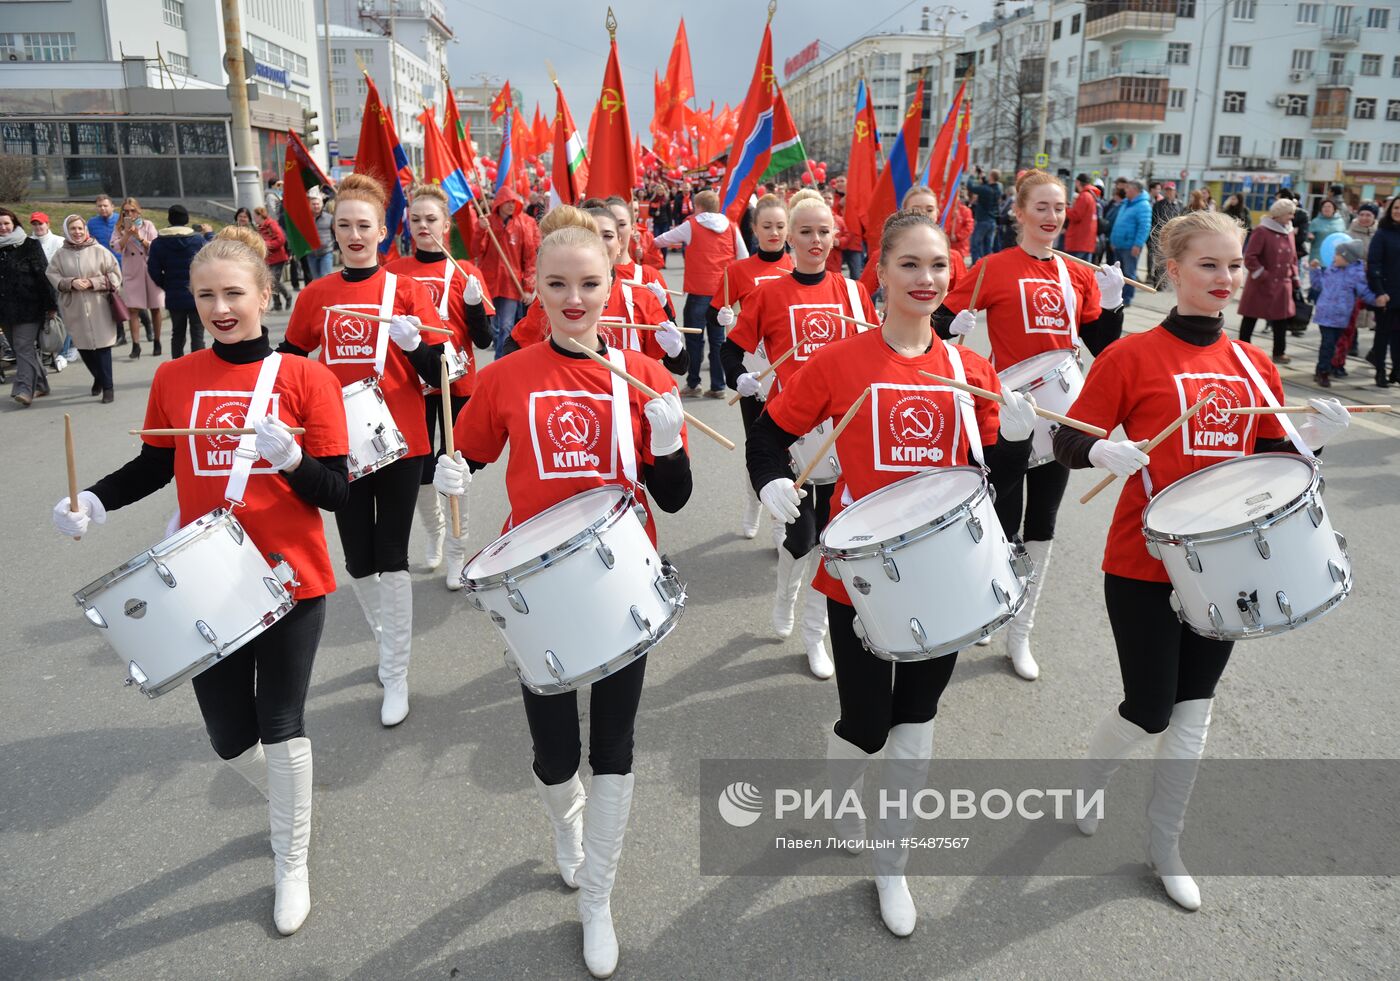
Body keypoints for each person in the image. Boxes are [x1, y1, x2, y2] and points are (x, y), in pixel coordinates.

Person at [52, 225, 350, 936]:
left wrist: (292, 463)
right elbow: (155, 464)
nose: (221, 307)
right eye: (207, 294)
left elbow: (336, 491)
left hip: (289, 576)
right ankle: (292, 796)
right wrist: (91, 500)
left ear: (264, 295)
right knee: (226, 736)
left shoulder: (309, 379)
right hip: (202, 578)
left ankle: (291, 853)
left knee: (281, 723)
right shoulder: (174, 378)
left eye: (235, 293)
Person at [1053, 209, 1350, 912]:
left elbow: (1273, 462)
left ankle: (1165, 843)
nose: (1226, 278)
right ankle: (1087, 781)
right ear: (1174, 272)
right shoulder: (1129, 356)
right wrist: (1098, 448)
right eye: (1210, 265)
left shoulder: (1255, 364)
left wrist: (1308, 437)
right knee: (1150, 707)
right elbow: (1066, 442)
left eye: (1236, 265)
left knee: (1194, 708)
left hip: (1231, 568)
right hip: (1143, 563)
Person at [748, 209, 1035, 935]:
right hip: (860, 580)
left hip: (946, 580)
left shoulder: (970, 371)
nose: (927, 279)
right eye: (910, 264)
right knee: (867, 724)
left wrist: (1019, 442)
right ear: (880, 271)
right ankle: (838, 791)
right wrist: (771, 484)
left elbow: (994, 482)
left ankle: (892, 862)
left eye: (938, 265)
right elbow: (769, 436)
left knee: (917, 718)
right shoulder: (840, 362)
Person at [432, 222, 691, 980]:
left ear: (614, 286)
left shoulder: (642, 374)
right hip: (534, 586)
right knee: (555, 751)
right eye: (556, 284)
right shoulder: (508, 374)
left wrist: (669, 444)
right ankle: (567, 829)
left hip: (621, 577)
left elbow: (672, 497)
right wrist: (450, 472)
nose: (574, 299)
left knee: (612, 744)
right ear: (534, 288)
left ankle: (599, 899)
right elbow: (471, 451)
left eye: (589, 284)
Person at [937, 169, 1124, 679]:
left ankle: (1021, 633)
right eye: (1040, 207)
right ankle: (992, 602)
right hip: (1010, 412)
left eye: (1059, 208)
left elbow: (1103, 347)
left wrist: (1110, 304)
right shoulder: (993, 267)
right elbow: (936, 324)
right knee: (1002, 520)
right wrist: (952, 327)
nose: (1052, 217)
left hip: (1063, 414)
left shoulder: (1077, 272)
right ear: (1018, 212)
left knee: (1042, 524)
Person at [281, 173, 446, 727]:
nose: (354, 234)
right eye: (344, 225)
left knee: (392, 555)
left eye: (364, 225)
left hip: (402, 442)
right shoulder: (316, 295)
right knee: (357, 559)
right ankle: (385, 643)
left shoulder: (407, 290)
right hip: (337, 445)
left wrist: (416, 344)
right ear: (334, 231)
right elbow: (286, 362)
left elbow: (446, 373)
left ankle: (395, 672)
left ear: (383, 231)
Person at [724, 192, 879, 680]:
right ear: (788, 237)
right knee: (801, 537)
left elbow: (879, 352)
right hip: (793, 430)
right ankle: (784, 597)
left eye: (824, 232)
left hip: (847, 432)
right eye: (805, 231)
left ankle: (816, 635)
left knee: (834, 541)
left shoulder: (854, 293)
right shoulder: (768, 292)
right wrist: (742, 379)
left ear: (836, 238)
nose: (816, 241)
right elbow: (733, 352)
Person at [385, 184, 493, 589]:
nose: (423, 226)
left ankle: (456, 551)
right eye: (416, 219)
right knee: (419, 471)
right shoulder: (394, 271)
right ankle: (433, 534)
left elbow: (483, 341)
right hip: (409, 385)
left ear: (446, 225)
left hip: (456, 386)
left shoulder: (466, 271)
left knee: (455, 470)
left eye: (431, 219)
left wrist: (471, 305)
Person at [713, 193, 794, 541]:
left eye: (779, 226)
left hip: (791, 369)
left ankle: (782, 518)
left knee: (791, 446)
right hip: (754, 369)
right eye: (767, 226)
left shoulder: (797, 266)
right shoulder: (738, 270)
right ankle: (753, 503)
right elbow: (714, 313)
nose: (774, 232)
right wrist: (723, 316)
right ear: (754, 229)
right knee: (757, 443)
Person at [652, 188, 748, 398]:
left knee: (694, 340)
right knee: (718, 340)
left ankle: (694, 383)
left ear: (698, 207)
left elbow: (661, 240)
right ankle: (718, 386)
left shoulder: (692, 225)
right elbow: (743, 256)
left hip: (698, 290)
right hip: (722, 293)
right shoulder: (731, 226)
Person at [47, 215, 122, 402]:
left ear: (86, 230)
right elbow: (52, 275)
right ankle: (98, 377)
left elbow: (115, 275)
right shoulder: (60, 254)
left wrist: (92, 282)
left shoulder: (99, 250)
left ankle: (108, 387)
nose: (77, 232)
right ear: (66, 231)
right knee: (84, 348)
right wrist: (70, 282)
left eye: (80, 228)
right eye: (73, 229)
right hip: (74, 308)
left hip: (99, 305)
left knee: (103, 347)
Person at [473, 185, 540, 358]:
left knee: (506, 325)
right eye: (507, 201)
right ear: (499, 203)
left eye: (514, 202)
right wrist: (480, 230)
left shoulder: (523, 224)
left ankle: (499, 361)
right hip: (489, 282)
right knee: (493, 326)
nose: (511, 205)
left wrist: (528, 287)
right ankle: (499, 352)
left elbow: (530, 258)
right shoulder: (488, 222)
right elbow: (475, 251)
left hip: (512, 283)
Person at [0, 207, 58, 405]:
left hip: (29, 308)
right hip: (4, 311)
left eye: (6, 223)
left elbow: (44, 275)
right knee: (21, 350)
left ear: (14, 224)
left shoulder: (29, 245)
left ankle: (24, 389)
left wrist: (51, 305)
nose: (3, 227)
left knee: (23, 346)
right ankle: (41, 384)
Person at [1310, 239, 1383, 386]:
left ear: (1347, 258)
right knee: (1327, 344)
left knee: (1333, 345)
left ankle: (1324, 367)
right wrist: (1314, 271)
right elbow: (1318, 285)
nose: (1334, 257)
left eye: (1337, 255)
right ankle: (1323, 372)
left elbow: (1364, 292)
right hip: (1325, 315)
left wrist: (1376, 300)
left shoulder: (1356, 274)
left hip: (1341, 317)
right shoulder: (1331, 269)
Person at [1237, 197, 1301, 365]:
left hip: (1282, 283)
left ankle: (1279, 352)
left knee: (1281, 319)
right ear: (1279, 214)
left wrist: (1295, 278)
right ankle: (1242, 351)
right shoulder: (1262, 230)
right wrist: (1263, 275)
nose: (1292, 217)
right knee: (1250, 317)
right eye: (1289, 213)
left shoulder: (1289, 231)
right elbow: (1250, 257)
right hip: (1261, 284)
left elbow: (1293, 257)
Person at [147, 205, 207, 359]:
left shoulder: (158, 243)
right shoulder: (197, 240)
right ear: (186, 219)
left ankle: (177, 367)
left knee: (177, 333)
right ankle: (199, 368)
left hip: (173, 294)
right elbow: (207, 266)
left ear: (169, 219)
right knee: (198, 333)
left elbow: (153, 270)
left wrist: (166, 284)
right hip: (196, 293)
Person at [112, 197, 164, 359]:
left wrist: (140, 237)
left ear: (138, 210)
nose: (129, 213)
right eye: (126, 211)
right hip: (132, 272)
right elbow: (116, 247)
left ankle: (157, 340)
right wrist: (127, 234)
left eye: (132, 210)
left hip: (150, 269)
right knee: (133, 309)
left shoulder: (147, 225)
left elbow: (156, 246)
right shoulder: (119, 228)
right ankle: (136, 345)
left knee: (155, 308)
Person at [1366, 196, 1400, 387]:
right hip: (1386, 294)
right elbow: (1374, 264)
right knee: (1383, 334)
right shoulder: (1382, 233)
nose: (1398, 211)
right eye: (1395, 207)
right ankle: (1380, 371)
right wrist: (1379, 291)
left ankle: (1397, 370)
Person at [1109, 180, 1151, 307]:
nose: (1125, 191)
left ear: (1135, 190)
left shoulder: (1143, 205)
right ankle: (1118, 297)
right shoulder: (1126, 203)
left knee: (1128, 273)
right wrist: (1113, 240)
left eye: (1128, 188)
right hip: (1119, 245)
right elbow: (1118, 223)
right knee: (1119, 274)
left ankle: (1126, 299)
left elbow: (1144, 227)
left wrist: (1137, 245)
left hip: (1130, 247)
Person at [254, 206, 294, 313]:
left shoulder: (271, 224)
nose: (254, 219)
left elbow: (281, 239)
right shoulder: (261, 227)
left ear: (259, 215)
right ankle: (277, 304)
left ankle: (287, 296)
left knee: (273, 280)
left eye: (255, 216)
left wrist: (266, 245)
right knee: (270, 281)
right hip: (268, 258)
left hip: (278, 257)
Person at [1149, 182, 1184, 282]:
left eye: (1171, 190)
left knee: (1172, 258)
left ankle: (1169, 279)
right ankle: (1158, 280)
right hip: (1160, 235)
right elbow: (1153, 221)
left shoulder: (1179, 205)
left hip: (1174, 236)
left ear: (1175, 191)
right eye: (1167, 190)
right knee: (1160, 258)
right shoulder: (1158, 204)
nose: (1169, 192)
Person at [967, 168, 1003, 261]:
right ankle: (986, 267)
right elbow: (988, 185)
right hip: (992, 222)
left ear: (991, 177)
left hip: (983, 221)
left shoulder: (985, 189)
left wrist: (971, 175)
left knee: (975, 244)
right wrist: (982, 176)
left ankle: (975, 265)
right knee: (987, 247)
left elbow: (970, 187)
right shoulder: (998, 188)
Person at [1064, 174, 1099, 261]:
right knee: (1084, 271)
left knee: (1074, 270)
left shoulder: (1084, 196)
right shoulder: (1091, 196)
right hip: (1086, 241)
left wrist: (1064, 209)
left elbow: (1076, 216)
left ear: (1078, 182)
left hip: (1078, 241)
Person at [305, 192, 334, 281]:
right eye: (313, 204)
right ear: (309, 205)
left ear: (322, 205)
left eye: (318, 204)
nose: (316, 206)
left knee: (325, 278)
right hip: (311, 254)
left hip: (326, 252)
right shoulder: (305, 219)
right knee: (317, 280)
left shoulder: (330, 218)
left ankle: (328, 295)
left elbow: (335, 234)